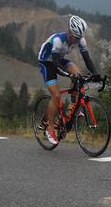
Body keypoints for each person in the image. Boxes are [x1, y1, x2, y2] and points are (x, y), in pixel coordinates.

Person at [38, 15, 101, 144]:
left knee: (77, 73)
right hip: (47, 62)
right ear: (70, 32)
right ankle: (50, 128)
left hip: (59, 59)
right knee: (56, 95)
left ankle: (72, 109)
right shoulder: (58, 41)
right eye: (75, 38)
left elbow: (87, 60)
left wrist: (96, 74)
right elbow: (55, 64)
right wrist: (67, 75)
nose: (77, 41)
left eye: (79, 38)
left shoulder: (80, 40)